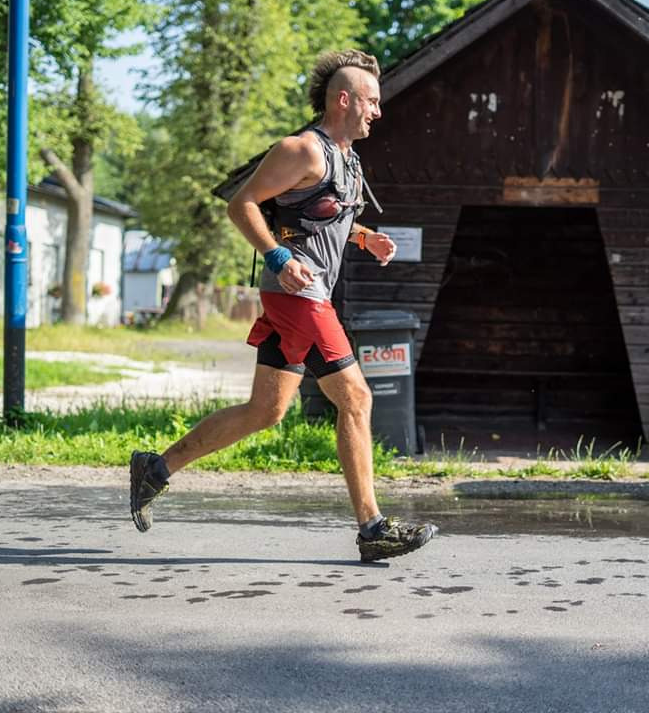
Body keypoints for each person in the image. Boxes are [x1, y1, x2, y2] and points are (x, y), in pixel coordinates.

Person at [128, 49, 437, 563]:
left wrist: (365, 239)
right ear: (345, 99)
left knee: (266, 410)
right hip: (300, 295)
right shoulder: (303, 150)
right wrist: (275, 254)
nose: (378, 112)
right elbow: (241, 204)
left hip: (299, 296)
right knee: (357, 399)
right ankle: (373, 528)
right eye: (372, 101)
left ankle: (155, 469)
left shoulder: (348, 161)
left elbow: (324, 219)